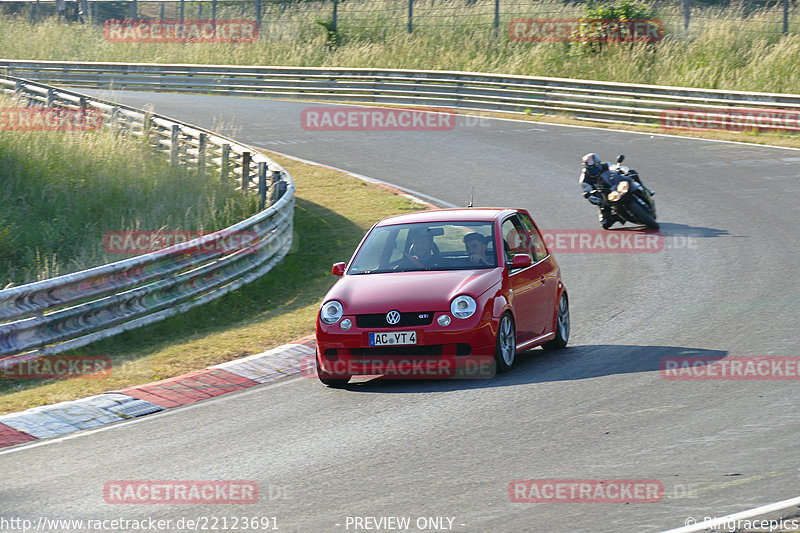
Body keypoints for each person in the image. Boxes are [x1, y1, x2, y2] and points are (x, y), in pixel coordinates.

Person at [580, 153, 654, 229]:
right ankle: (618, 216)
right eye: (591, 169)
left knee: (633, 173)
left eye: (596, 168)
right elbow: (588, 193)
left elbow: (616, 168)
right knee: (605, 223)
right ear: (586, 168)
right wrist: (596, 198)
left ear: (599, 163)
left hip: (616, 186)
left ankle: (645, 190)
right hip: (605, 196)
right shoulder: (584, 180)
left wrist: (625, 171)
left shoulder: (606, 165)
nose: (594, 171)